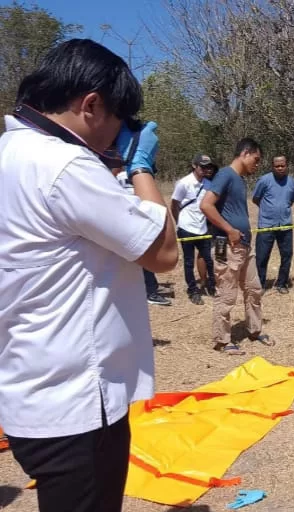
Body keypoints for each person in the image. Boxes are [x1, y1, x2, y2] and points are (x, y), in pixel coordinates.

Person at [0, 39, 178, 512]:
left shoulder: (11, 150)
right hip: (76, 400)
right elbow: (163, 252)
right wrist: (139, 165)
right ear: (92, 105)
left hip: (31, 384)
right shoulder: (64, 165)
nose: (114, 135)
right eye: (118, 122)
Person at [200, 138, 271, 354]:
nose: (257, 165)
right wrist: (229, 230)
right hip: (226, 246)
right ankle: (222, 341)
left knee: (254, 289)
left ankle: (254, 330)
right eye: (256, 160)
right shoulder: (225, 175)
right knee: (226, 293)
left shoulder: (239, 179)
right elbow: (206, 205)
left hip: (244, 247)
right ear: (246, 153)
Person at [116, 168, 173, 306]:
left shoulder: (118, 174)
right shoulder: (134, 174)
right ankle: (150, 292)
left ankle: (150, 285)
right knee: (143, 255)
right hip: (132, 219)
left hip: (132, 218)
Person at [172, 154, 218, 304]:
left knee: (208, 259)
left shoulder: (208, 184)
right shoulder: (184, 183)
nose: (205, 169)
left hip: (202, 227)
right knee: (189, 261)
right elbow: (175, 204)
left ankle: (212, 285)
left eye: (208, 166)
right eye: (202, 166)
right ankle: (193, 291)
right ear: (194, 166)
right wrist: (179, 222)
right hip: (186, 228)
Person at [252, 154, 294, 293]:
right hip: (266, 225)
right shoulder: (264, 180)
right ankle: (259, 285)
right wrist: (269, 211)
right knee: (262, 256)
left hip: (285, 225)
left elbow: (291, 201)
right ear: (272, 167)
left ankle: (281, 283)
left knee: (287, 255)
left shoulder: (292, 182)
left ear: (287, 166)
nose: (280, 168)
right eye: (277, 166)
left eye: (282, 165)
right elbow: (256, 199)